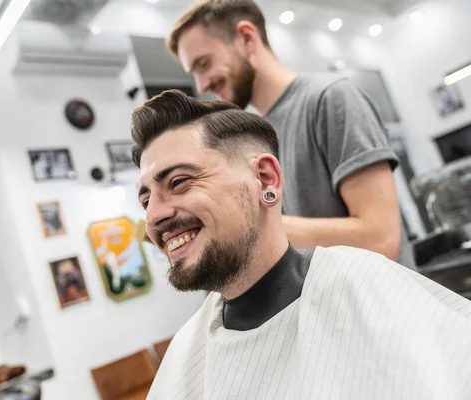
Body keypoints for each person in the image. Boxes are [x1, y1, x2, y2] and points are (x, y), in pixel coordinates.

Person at [132, 90, 471, 399]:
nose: (154, 217)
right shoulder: (184, 354)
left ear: (265, 179)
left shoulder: (362, 284)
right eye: (146, 201)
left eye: (178, 182)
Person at [166, 0, 416, 269]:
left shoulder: (331, 98)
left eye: (204, 64)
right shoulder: (253, 141)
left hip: (383, 306)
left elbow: (381, 239)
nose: (203, 84)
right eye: (194, 74)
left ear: (247, 38)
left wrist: (250, 225)